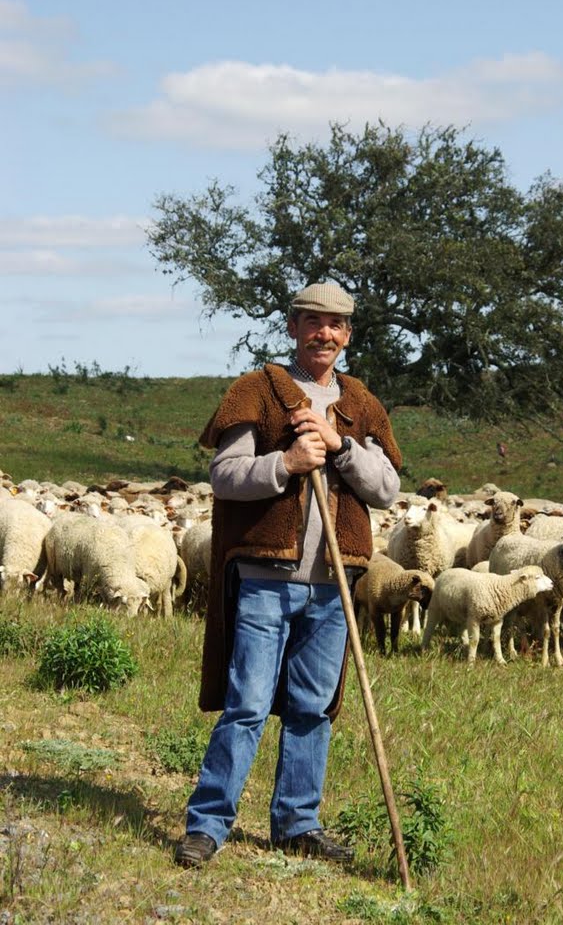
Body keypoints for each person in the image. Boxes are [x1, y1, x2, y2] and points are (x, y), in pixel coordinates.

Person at [175, 281, 402, 868]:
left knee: (312, 708)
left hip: (333, 585)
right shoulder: (259, 391)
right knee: (247, 704)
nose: (325, 333)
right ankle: (207, 823)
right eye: (314, 322)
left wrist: (340, 446)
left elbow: (386, 489)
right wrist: (288, 463)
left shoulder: (361, 404)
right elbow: (224, 474)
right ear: (295, 327)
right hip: (266, 578)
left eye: (337, 325)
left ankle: (297, 823)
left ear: (348, 335)